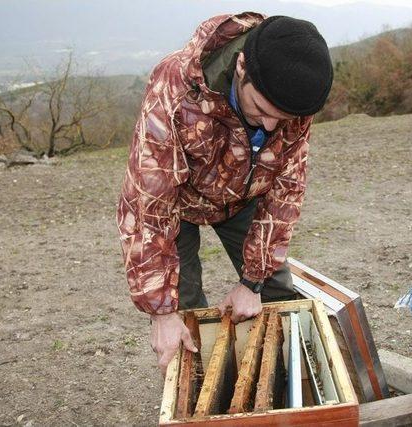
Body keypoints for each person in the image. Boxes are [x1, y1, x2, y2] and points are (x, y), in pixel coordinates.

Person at [116, 12, 333, 375]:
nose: (270, 125)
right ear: (242, 66)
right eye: (262, 110)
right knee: (184, 308)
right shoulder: (174, 88)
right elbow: (147, 206)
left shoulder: (292, 96)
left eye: (282, 119)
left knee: (276, 291)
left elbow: (286, 188)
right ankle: (200, 384)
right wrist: (161, 311)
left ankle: (286, 384)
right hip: (177, 205)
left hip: (244, 198)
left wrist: (252, 280)